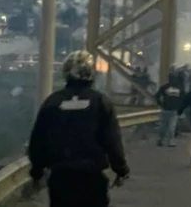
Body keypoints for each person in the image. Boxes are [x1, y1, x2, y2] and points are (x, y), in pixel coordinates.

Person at [27, 51, 130, 207]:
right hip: (92, 178)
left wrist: (37, 172)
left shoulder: (53, 102)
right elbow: (112, 140)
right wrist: (121, 169)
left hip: (60, 178)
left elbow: (38, 141)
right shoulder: (100, 102)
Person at [155, 72, 185, 147]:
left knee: (167, 126)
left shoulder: (165, 87)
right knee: (169, 126)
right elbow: (183, 98)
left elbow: (157, 96)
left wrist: (160, 104)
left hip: (169, 109)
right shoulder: (179, 88)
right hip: (170, 109)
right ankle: (165, 140)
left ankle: (165, 140)